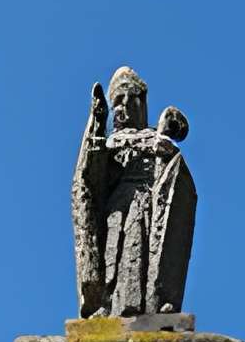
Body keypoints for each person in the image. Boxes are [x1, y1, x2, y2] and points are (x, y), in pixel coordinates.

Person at [72, 67, 197, 319]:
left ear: (143, 103)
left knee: (144, 256)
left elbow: (172, 174)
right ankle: (107, 307)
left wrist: (164, 147)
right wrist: (96, 124)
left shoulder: (156, 138)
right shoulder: (109, 142)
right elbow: (91, 177)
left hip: (150, 206)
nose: (126, 105)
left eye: (132, 98)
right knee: (116, 256)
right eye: (118, 99)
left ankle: (153, 304)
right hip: (118, 208)